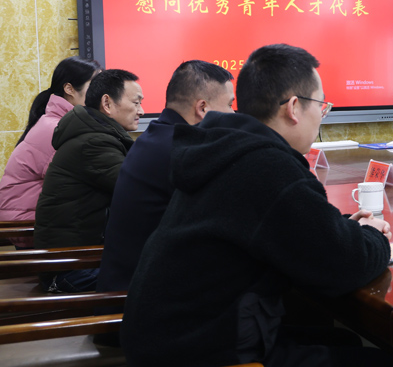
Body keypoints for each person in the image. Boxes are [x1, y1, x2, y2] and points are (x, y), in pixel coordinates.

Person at [121, 44, 393, 367]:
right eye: (322, 106)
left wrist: (340, 230)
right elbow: (343, 264)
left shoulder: (226, 150)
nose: (322, 116)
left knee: (342, 341)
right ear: (294, 108)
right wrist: (372, 236)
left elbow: (292, 232)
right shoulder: (265, 165)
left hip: (171, 353)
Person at [96, 61, 234, 296]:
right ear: (203, 108)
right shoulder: (184, 151)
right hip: (139, 302)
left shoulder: (157, 136)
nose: (233, 114)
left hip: (129, 287)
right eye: (230, 105)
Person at [34, 69, 143, 292]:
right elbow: (138, 190)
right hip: (70, 270)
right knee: (163, 277)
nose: (141, 110)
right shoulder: (94, 143)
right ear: (107, 104)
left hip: (80, 260)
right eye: (136, 102)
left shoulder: (95, 135)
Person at [0, 57, 102, 225]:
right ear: (69, 89)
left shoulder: (59, 122)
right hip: (25, 221)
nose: (100, 94)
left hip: (28, 215)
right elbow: (75, 181)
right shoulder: (58, 127)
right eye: (94, 86)